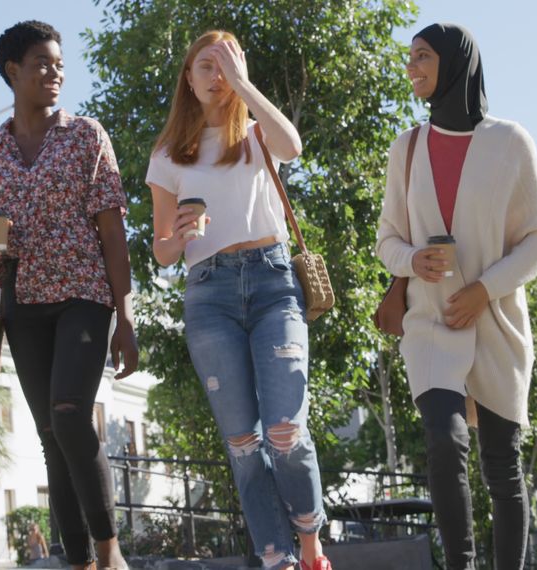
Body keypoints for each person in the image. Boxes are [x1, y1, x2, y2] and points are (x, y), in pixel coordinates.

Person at [146, 30, 332, 570]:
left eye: (227, 63)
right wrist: (179, 235)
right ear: (188, 77)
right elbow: (161, 251)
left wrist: (246, 83)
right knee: (244, 443)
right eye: (206, 64)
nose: (216, 74)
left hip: (274, 283)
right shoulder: (168, 155)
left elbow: (292, 146)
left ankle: (310, 541)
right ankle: (277, 559)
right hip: (210, 294)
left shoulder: (254, 135)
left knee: (285, 430)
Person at [376, 23, 537, 570]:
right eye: (409, 57)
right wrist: (412, 261)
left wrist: (485, 289)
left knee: (502, 466)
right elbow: (387, 241)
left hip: (497, 324)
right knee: (444, 442)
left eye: (423, 57)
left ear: (456, 62)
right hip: (430, 324)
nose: (411, 67)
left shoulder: (510, 142)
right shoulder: (405, 149)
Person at [0, 20, 137, 570]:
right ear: (12, 71)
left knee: (68, 415)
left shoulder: (87, 136)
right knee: (48, 435)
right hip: (24, 303)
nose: (54, 72)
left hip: (84, 295)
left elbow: (113, 233)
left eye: (59, 63)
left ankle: (109, 549)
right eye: (41, 62)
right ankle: (79, 560)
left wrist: (125, 318)